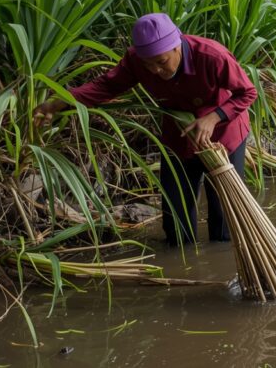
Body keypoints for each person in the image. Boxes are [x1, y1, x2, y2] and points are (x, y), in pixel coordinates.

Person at [33, 13, 258, 247]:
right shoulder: (135, 61)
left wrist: (214, 117)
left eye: (161, 62)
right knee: (176, 220)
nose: (154, 70)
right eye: (147, 64)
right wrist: (61, 101)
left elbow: (248, 92)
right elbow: (107, 86)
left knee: (224, 216)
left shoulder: (211, 56)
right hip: (179, 138)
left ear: (177, 46)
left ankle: (221, 263)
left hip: (223, 138)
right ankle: (183, 261)